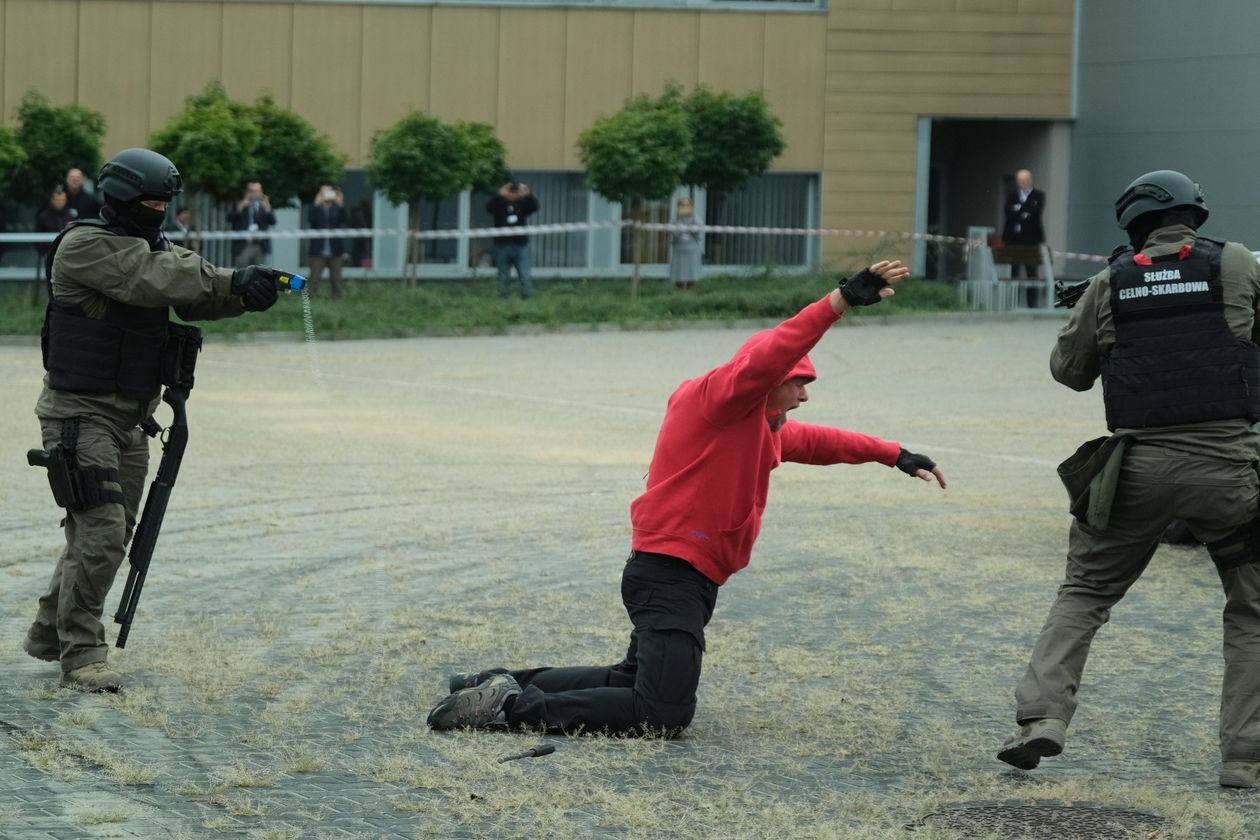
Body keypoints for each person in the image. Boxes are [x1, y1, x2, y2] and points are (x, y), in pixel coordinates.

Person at [426, 261, 947, 736]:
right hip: (670, 572)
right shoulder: (720, 398)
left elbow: (821, 442)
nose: (805, 394)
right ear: (764, 380)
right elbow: (774, 351)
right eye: (798, 383)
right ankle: (505, 710)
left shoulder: (759, 426)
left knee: (630, 678)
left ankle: (495, 682)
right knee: (662, 713)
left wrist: (893, 453)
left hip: (682, 575)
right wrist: (839, 302)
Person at [997, 170, 1260, 790]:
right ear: (1194, 214)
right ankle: (1245, 757)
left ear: (1133, 222)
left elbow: (1069, 371)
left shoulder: (1112, 280)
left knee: (1085, 594)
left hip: (1137, 471)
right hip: (1229, 471)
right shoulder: (1239, 264)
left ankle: (1040, 720)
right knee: (1251, 610)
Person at [22, 148, 282, 692]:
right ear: (120, 198)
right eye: (151, 203)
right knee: (102, 529)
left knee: (104, 534)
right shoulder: (85, 245)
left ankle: (49, 632)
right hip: (79, 415)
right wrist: (232, 278)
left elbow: (191, 295)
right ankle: (82, 655)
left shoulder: (152, 244)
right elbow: (156, 278)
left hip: (133, 417)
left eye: (165, 204)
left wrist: (246, 294)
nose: (159, 212)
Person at [485, 181, 539, 300]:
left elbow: (535, 207)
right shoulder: (499, 203)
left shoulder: (522, 204)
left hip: (521, 246)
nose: (513, 194)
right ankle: (503, 299)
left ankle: (527, 298)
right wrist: (499, 195)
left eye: (515, 192)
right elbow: (488, 208)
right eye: (511, 191)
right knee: (503, 276)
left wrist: (527, 194)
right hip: (502, 246)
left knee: (525, 275)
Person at [1002, 168, 1046, 308]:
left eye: (1026, 180)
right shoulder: (1011, 195)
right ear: (1017, 182)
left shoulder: (1038, 195)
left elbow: (1035, 212)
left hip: (1031, 240)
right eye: (1020, 180)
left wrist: (1019, 209)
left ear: (1031, 180)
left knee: (1031, 273)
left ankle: (1032, 305)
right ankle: (1012, 305)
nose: (1023, 183)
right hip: (1013, 240)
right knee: (1014, 273)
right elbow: (1008, 213)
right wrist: (1024, 211)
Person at [307, 184, 348, 300]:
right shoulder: (315, 208)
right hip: (318, 250)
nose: (327, 195)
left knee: (336, 279)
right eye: (324, 192)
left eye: (330, 192)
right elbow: (311, 220)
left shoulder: (336, 208)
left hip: (335, 249)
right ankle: (310, 299)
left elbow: (345, 220)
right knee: (314, 278)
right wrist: (316, 203)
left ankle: (337, 300)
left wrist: (340, 204)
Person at [228, 180, 276, 268]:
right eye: (251, 191)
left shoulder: (264, 205)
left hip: (260, 245)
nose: (254, 194)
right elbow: (230, 219)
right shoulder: (240, 204)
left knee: (260, 272)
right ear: (247, 192)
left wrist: (268, 209)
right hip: (243, 245)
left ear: (261, 192)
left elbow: (273, 221)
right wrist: (240, 207)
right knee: (242, 271)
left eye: (257, 191)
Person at [34, 187, 73, 277]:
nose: (60, 202)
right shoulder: (44, 216)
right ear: (52, 200)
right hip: (49, 254)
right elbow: (37, 236)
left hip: (68, 255)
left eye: (62, 199)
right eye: (57, 199)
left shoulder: (70, 215)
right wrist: (43, 252)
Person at [669, 196, 703, 290]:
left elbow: (698, 230)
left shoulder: (696, 218)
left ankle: (691, 296)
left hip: (692, 250)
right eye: (682, 205)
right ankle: (679, 297)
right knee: (679, 277)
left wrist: (692, 216)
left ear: (691, 206)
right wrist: (680, 221)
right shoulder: (674, 219)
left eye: (687, 205)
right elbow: (674, 233)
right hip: (679, 250)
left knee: (692, 277)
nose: (685, 207)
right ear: (678, 206)